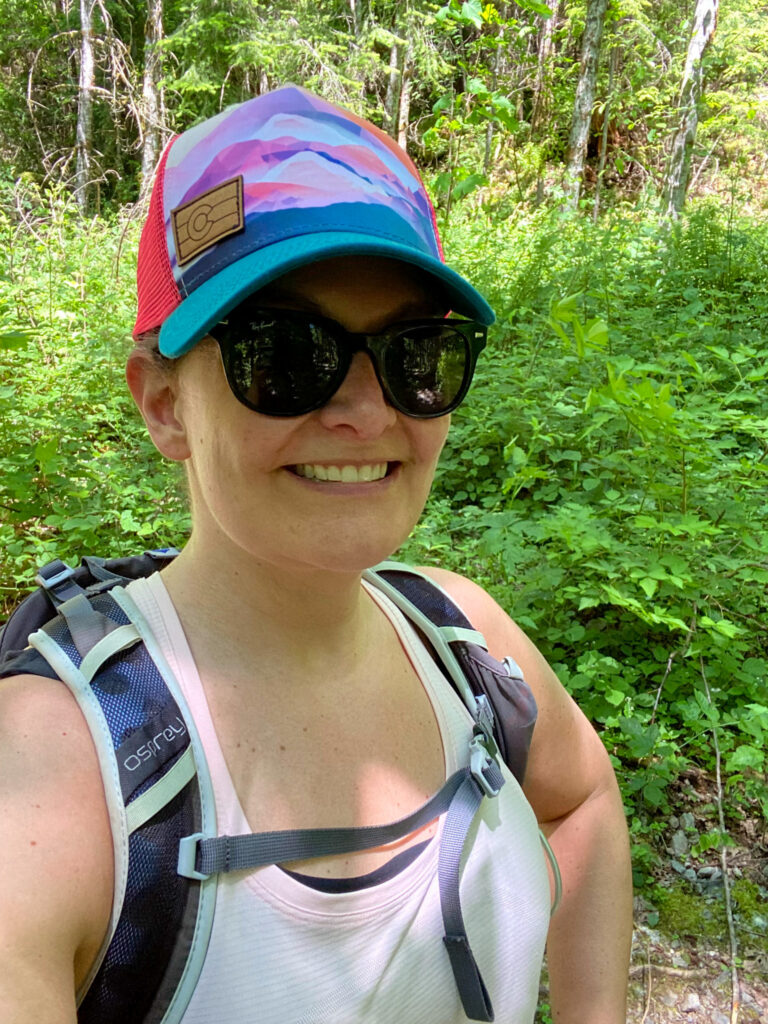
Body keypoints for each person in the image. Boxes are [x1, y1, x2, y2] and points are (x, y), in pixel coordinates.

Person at [0, 85, 632, 1023]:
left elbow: (583, 802)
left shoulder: (463, 638)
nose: (367, 411)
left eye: (418, 354)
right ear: (164, 403)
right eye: (286, 354)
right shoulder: (58, 770)